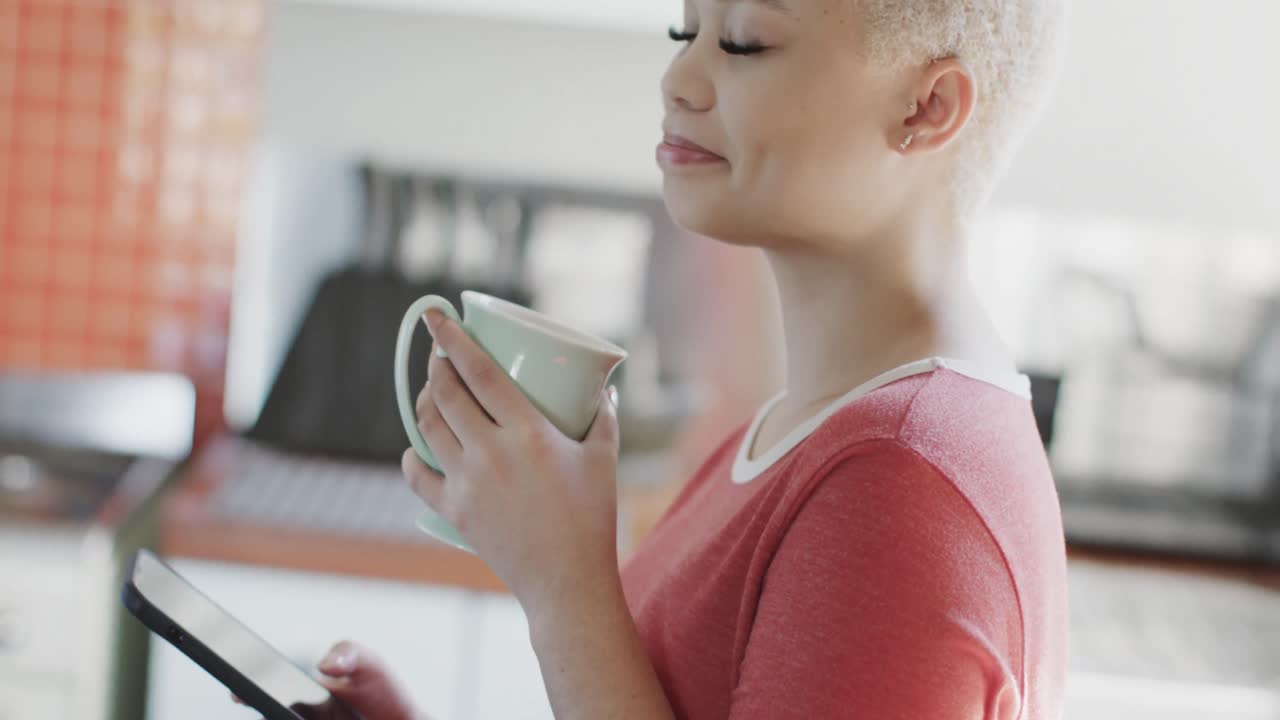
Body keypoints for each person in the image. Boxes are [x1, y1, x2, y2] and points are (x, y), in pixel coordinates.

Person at [280, 0, 1070, 717]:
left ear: (927, 108)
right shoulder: (807, 430)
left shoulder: (900, 483)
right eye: (684, 32)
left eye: (744, 42)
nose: (679, 79)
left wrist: (565, 591)